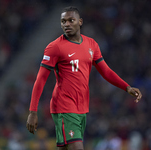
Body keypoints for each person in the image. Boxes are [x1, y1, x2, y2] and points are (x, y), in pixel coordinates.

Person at [26, 6, 142, 150]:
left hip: (82, 107)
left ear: (80, 21)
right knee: (77, 147)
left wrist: (127, 87)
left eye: (71, 20)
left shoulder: (91, 44)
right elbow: (40, 79)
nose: (66, 24)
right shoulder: (55, 47)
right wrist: (33, 111)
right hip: (64, 106)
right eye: (63, 21)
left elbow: (105, 71)